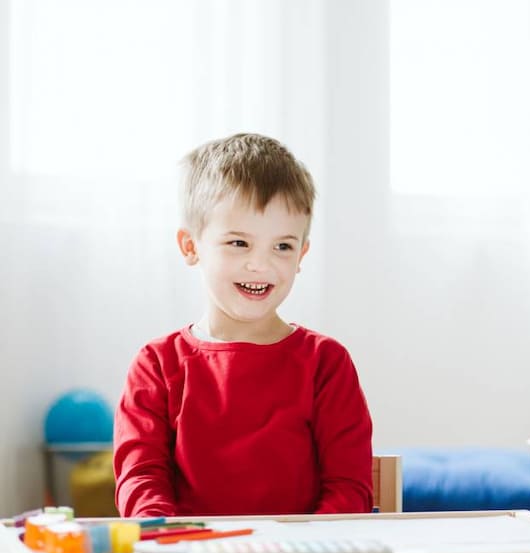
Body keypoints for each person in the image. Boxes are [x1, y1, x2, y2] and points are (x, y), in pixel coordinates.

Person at [113, 133, 373, 517]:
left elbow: (349, 488)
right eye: (239, 243)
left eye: (282, 246)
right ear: (191, 247)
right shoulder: (156, 364)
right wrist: (170, 545)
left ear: (301, 254)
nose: (260, 265)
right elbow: (141, 481)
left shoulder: (326, 363)